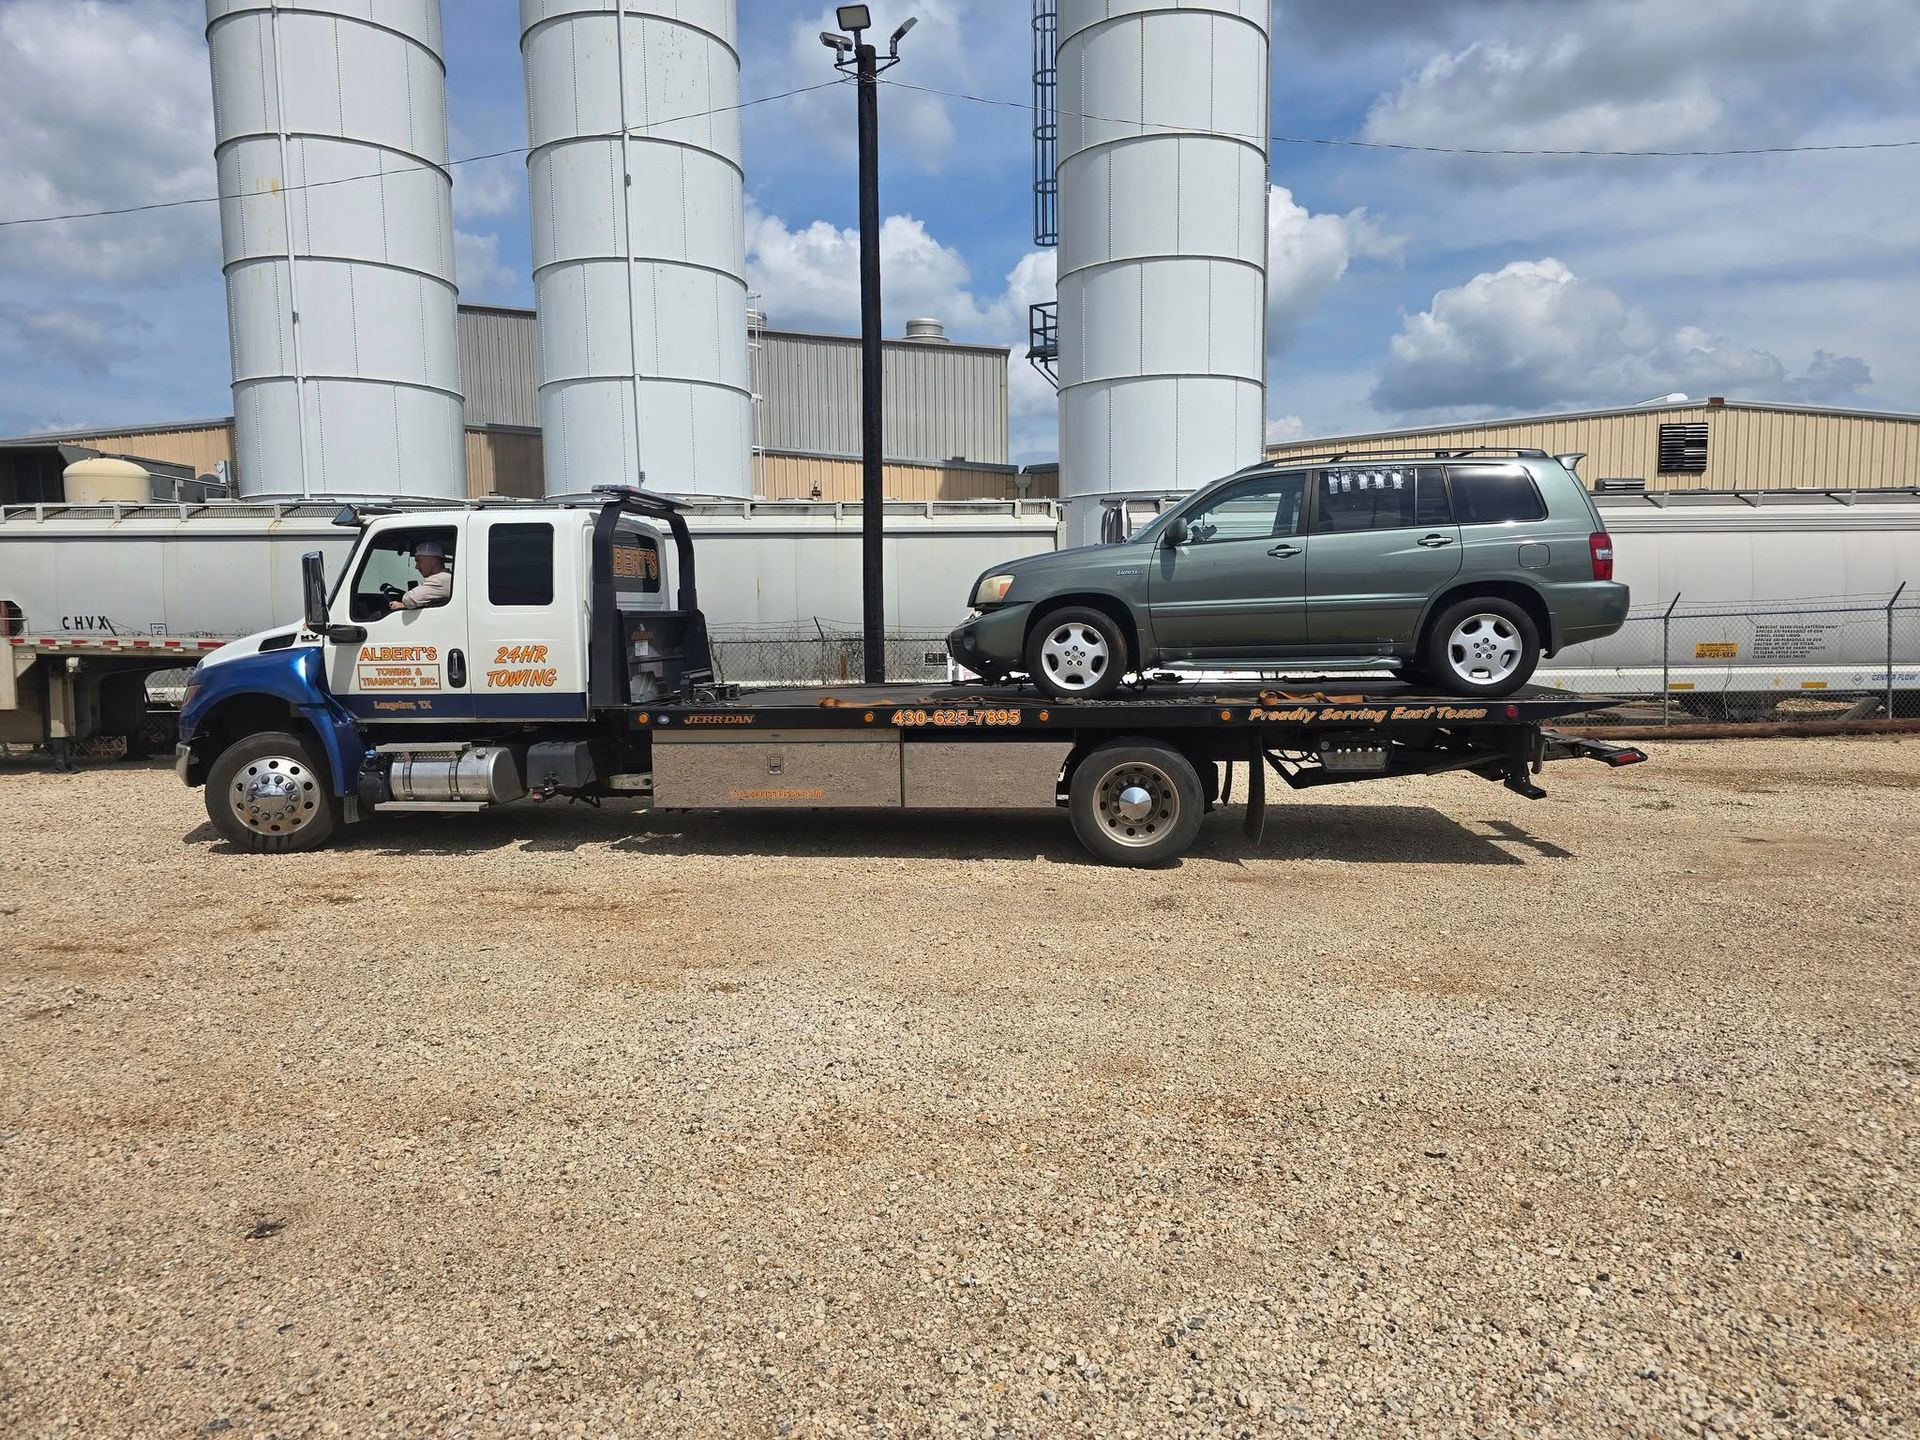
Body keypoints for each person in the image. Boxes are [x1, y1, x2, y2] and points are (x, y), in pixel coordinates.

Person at [390, 540, 452, 611]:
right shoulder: (447, 577)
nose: (416, 566)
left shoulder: (440, 580)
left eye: (418, 560)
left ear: (433, 561)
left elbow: (409, 599)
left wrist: (404, 604)